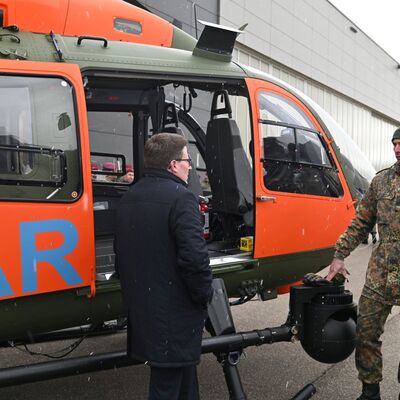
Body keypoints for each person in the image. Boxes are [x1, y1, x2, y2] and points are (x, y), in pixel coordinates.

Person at [115, 133, 213, 400]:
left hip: (146, 305)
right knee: (166, 385)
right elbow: (195, 259)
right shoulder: (183, 199)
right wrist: (204, 294)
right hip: (174, 311)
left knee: (183, 376)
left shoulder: (129, 197)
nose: (190, 166)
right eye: (187, 160)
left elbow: (121, 252)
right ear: (172, 165)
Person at [327, 128, 400, 400]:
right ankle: (370, 392)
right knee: (365, 333)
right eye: (394, 143)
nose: (397, 148)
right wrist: (339, 254)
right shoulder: (381, 182)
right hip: (381, 275)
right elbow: (361, 222)